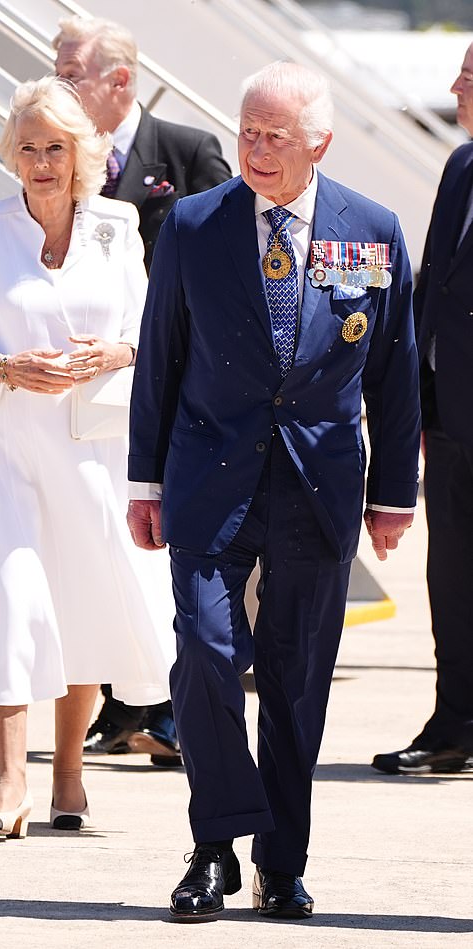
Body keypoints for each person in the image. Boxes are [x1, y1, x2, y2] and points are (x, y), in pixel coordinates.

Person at [127, 61, 421, 922]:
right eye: (247, 132)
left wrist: (396, 493)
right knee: (209, 655)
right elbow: (161, 359)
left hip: (319, 485)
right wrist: (145, 480)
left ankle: (280, 862)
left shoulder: (373, 231)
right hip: (210, 476)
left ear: (317, 142)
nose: (254, 149)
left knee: (297, 680)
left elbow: (397, 375)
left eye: (274, 137)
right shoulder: (192, 224)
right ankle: (214, 846)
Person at [0, 75, 174, 838]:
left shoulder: (118, 225)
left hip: (93, 449)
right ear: (14, 155)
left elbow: (151, 335)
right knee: (13, 599)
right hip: (6, 447)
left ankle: (68, 773)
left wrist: (118, 350)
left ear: (83, 153)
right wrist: (5, 367)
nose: (42, 162)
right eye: (29, 147)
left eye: (57, 148)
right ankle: (10, 783)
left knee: (81, 609)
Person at [51, 13, 232, 766]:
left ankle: (177, 710)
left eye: (69, 73)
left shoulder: (185, 154)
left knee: (172, 554)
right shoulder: (61, 160)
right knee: (112, 550)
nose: (58, 84)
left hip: (180, 394)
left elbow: (231, 272)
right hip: (96, 404)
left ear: (118, 82)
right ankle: (129, 706)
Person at [372, 43, 473, 776]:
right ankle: (454, 723)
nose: (453, 87)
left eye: (467, 76)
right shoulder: (461, 167)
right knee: (454, 577)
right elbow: (429, 287)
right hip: (448, 419)